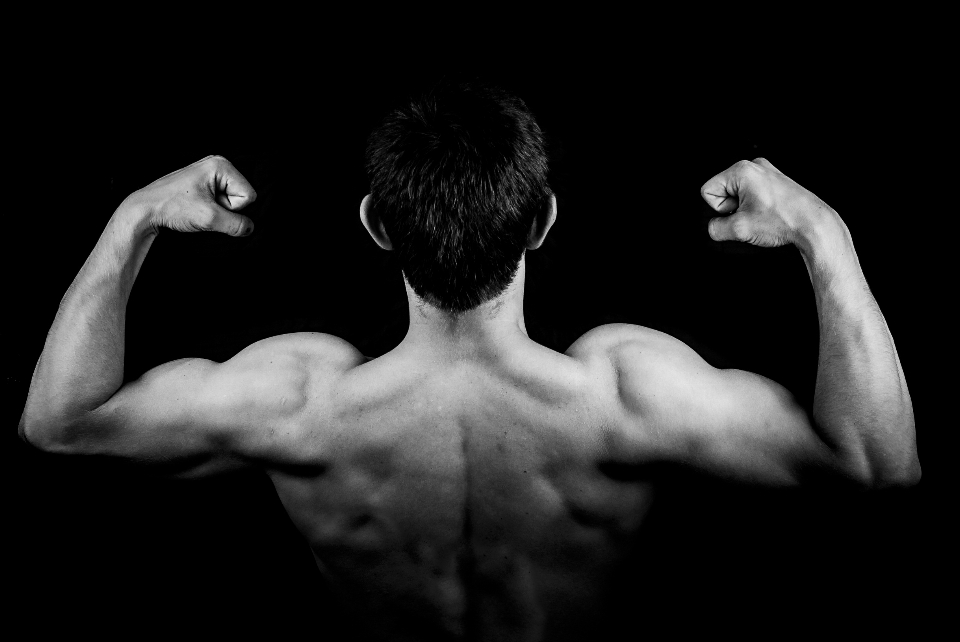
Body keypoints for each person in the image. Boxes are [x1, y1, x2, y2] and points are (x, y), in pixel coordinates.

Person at [19, 81, 919, 641]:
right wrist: (820, 234)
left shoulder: (299, 402)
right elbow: (876, 463)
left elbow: (60, 423)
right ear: (544, 222)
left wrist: (133, 215)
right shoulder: (625, 396)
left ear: (376, 225)